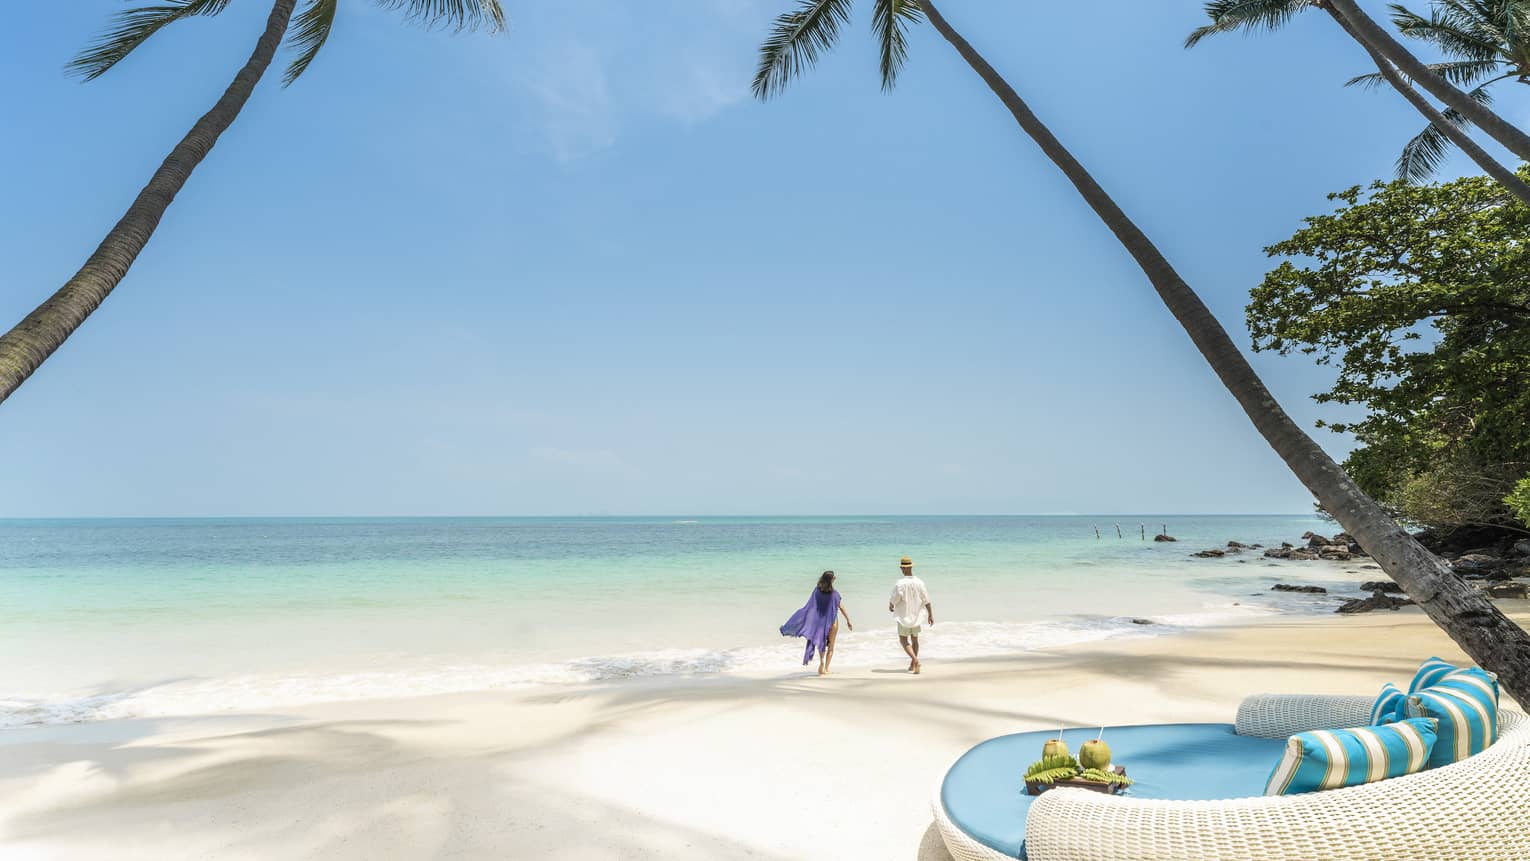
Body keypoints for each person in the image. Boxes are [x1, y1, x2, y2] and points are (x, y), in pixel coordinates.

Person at [779, 570, 853, 675]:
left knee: (821, 642)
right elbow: (841, 607)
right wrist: (848, 620)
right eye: (833, 577)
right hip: (833, 622)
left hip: (821, 623)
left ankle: (822, 662)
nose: (835, 578)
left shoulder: (817, 591)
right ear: (831, 580)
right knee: (831, 646)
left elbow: (810, 607)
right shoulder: (835, 594)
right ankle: (826, 669)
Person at [888, 555, 933, 674]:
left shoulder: (900, 583)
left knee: (903, 641)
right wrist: (930, 615)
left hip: (904, 616)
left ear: (902, 568)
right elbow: (926, 599)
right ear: (911, 567)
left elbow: (895, 599)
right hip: (917, 616)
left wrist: (891, 605)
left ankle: (915, 661)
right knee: (915, 640)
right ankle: (913, 664)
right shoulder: (919, 582)